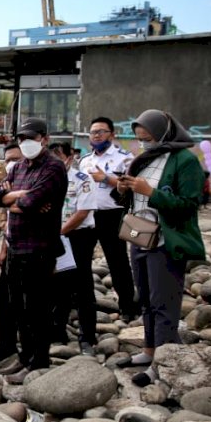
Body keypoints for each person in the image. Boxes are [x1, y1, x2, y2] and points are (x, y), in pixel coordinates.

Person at [112, 109, 205, 387]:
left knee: (164, 303)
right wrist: (124, 189)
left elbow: (189, 205)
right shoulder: (146, 158)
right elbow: (133, 197)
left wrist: (150, 192)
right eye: (140, 139)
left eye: (148, 138)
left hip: (166, 241)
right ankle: (149, 351)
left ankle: (163, 364)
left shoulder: (185, 160)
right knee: (146, 300)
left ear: (164, 134)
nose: (144, 143)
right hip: (141, 235)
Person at [0, 118, 68, 384]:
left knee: (37, 308)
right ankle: (25, 357)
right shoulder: (18, 167)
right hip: (15, 246)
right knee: (17, 307)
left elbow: (32, 202)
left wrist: (14, 199)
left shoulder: (54, 168)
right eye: (22, 138)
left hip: (39, 248)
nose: (26, 143)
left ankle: (39, 360)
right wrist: (16, 198)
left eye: (31, 137)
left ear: (44, 139)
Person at [81, 116, 138, 323]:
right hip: (86, 216)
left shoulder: (124, 158)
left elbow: (132, 185)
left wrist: (106, 178)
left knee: (118, 262)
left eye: (101, 131)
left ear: (112, 135)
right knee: (82, 263)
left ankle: (128, 306)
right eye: (93, 132)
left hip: (112, 215)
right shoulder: (85, 160)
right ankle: (84, 304)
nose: (96, 135)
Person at [50, 142, 99, 356]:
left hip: (77, 236)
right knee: (58, 285)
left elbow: (83, 212)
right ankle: (57, 330)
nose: (56, 161)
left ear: (70, 157)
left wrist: (60, 232)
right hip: (54, 237)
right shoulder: (48, 179)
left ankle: (87, 336)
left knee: (83, 287)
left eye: (59, 156)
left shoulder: (82, 179)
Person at [0, 143, 24, 364]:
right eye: (8, 159)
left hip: (32, 250)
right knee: (3, 300)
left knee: (25, 302)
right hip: (12, 247)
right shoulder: (8, 182)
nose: (11, 163)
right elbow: (4, 207)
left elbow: (30, 206)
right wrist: (3, 249)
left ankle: (28, 352)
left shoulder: (33, 179)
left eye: (16, 159)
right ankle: (7, 344)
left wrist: (11, 201)